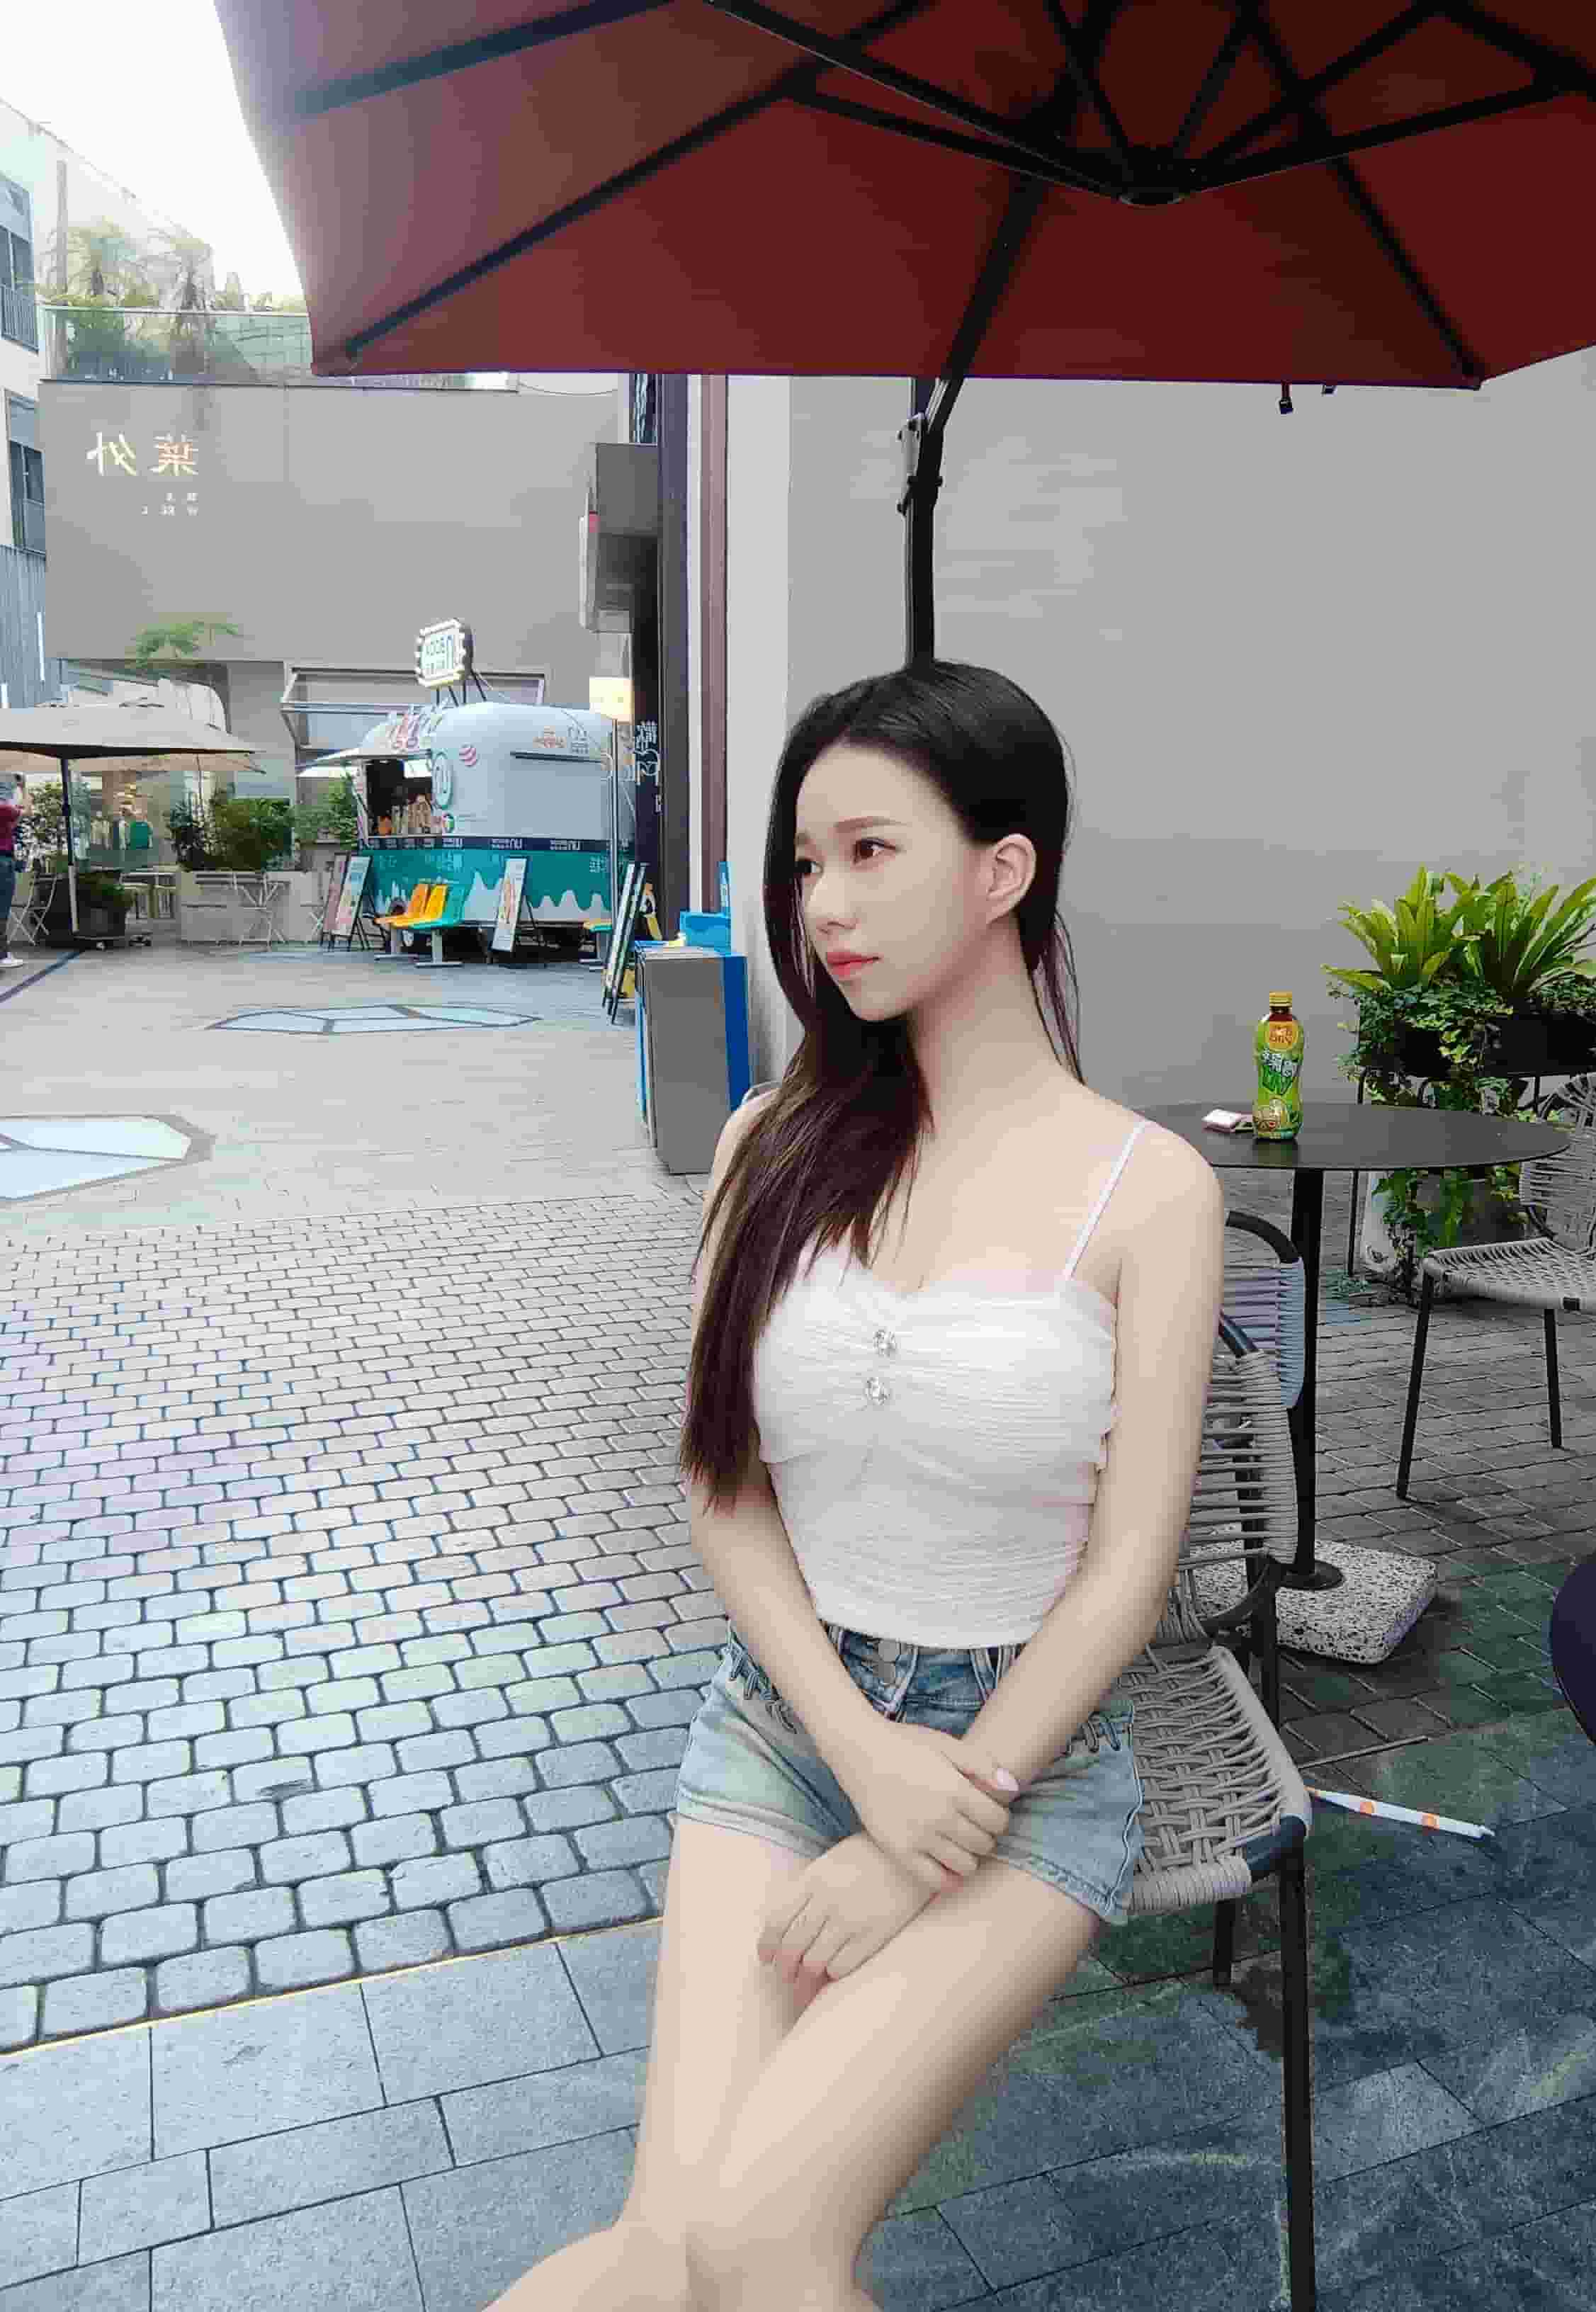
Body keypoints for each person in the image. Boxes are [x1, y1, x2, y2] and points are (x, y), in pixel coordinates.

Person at [487, 660, 1225, 2312]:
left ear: (1003, 868)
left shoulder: (1150, 1190)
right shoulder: (769, 1141)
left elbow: (1129, 1571)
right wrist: (858, 1752)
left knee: (758, 2243)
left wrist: (928, 1822)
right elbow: (724, 1489)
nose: (821, 903)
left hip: (1021, 1771)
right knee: (670, 2252)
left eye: (870, 852)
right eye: (807, 861)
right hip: (781, 1726)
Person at [0, 776, 23, 968]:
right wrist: (24, 787)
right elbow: (25, 811)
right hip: (3, 861)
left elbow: (12, 825)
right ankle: (2, 954)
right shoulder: (4, 808)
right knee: (2, 909)